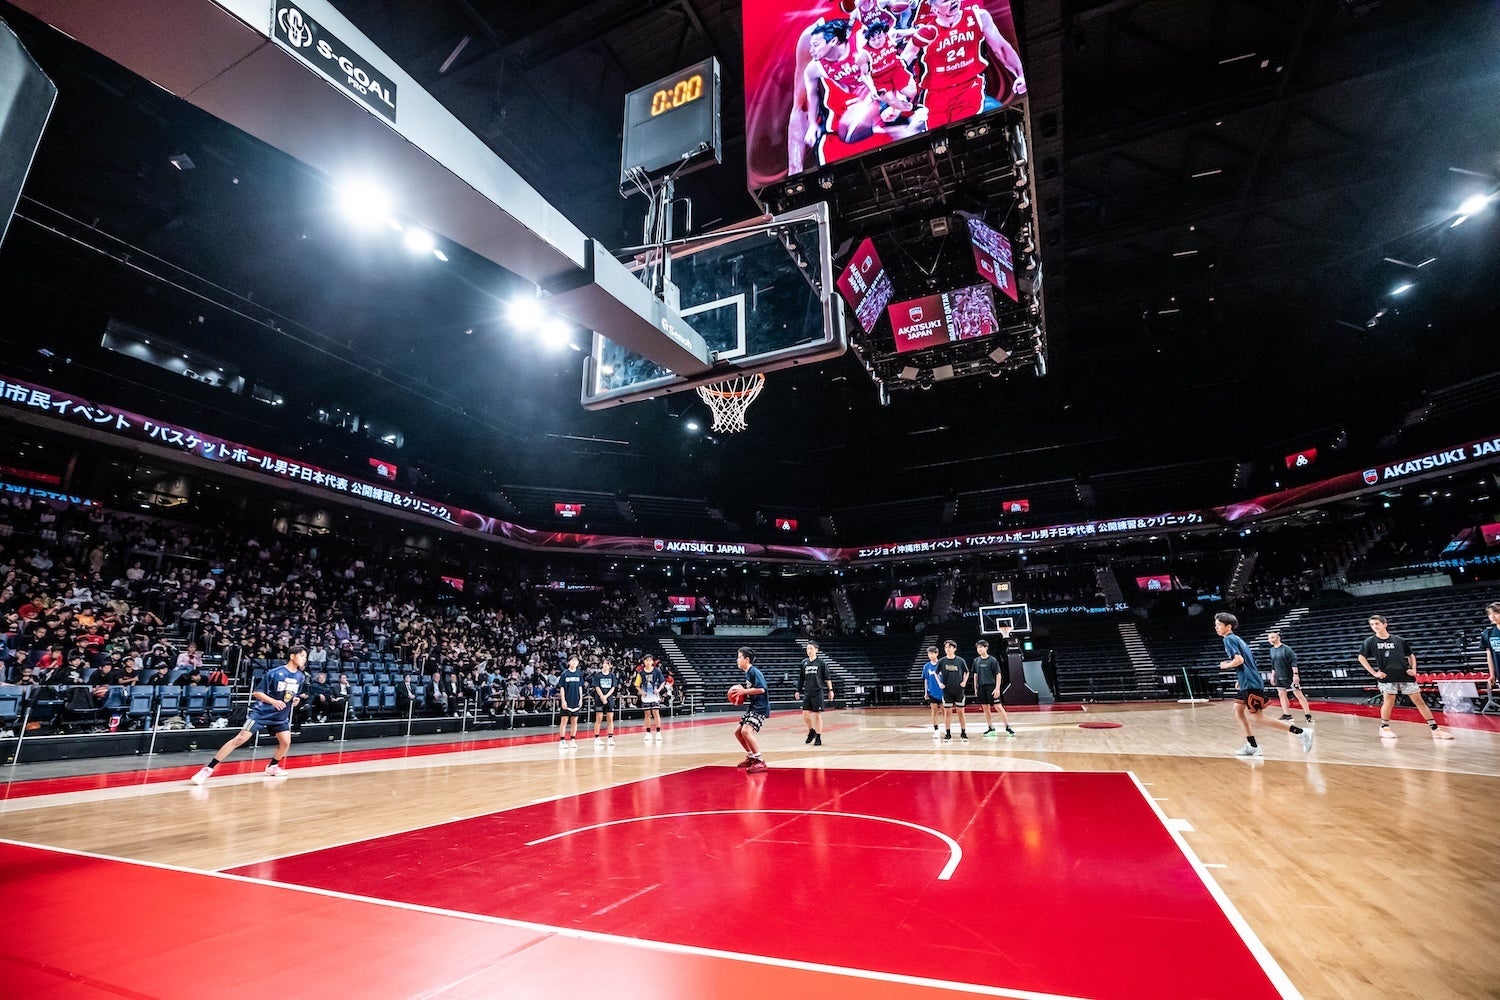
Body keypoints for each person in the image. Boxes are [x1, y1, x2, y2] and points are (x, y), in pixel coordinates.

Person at [190, 646, 307, 784]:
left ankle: (273, 766)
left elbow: (292, 694)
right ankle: (208, 769)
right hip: (262, 713)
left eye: (305, 657)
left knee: (286, 742)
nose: (304, 659)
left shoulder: (300, 676)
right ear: (292, 656)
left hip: (280, 716)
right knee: (240, 739)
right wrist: (273, 701)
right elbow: (257, 693)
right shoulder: (275, 673)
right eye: (302, 656)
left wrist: (295, 700)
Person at [903, 0, 1025, 130]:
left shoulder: (979, 16)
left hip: (968, 88)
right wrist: (896, 95)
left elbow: (1001, 48)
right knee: (939, 136)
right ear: (933, 9)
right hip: (935, 96)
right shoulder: (925, 33)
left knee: (962, 130)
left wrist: (1021, 75)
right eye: (945, 0)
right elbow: (903, 61)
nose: (953, 1)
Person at [1215, 613, 1312, 757]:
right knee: (1238, 711)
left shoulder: (1228, 639)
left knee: (1259, 717)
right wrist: (1241, 679)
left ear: (1228, 626)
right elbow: (1248, 662)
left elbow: (1239, 660)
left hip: (1250, 683)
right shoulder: (1237, 639)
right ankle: (1252, 746)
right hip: (1247, 680)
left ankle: (1302, 732)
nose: (1216, 628)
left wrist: (1225, 665)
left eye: (1218, 625)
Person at [1358, 614, 1454, 741]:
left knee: (1419, 701)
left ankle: (1435, 729)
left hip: (1404, 674)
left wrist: (1413, 669)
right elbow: (1361, 657)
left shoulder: (1398, 640)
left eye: (1377, 624)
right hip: (1387, 675)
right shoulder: (1370, 641)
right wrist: (1374, 673)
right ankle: (1384, 728)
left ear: (1385, 624)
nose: (1374, 626)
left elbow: (1411, 655)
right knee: (1389, 701)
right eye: (1372, 625)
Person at [732, 646, 770, 774]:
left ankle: (760, 761)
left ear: (747, 659)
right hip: (753, 707)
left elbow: (761, 689)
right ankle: (751, 757)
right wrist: (741, 695)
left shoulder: (754, 671)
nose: (737, 660)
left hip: (760, 708)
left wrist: (744, 691)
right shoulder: (747, 673)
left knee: (746, 731)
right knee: (738, 732)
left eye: (739, 657)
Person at [1266, 630, 1312, 725]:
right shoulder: (1272, 650)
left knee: (1298, 695)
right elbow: (1273, 664)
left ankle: (1308, 715)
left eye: (1272, 637)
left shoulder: (1286, 649)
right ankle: (1287, 715)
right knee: (1281, 695)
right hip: (1279, 676)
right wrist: (1272, 676)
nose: (1270, 639)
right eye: (1269, 638)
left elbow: (1294, 662)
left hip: (1289, 676)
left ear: (1278, 638)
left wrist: (1296, 674)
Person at [971, 637, 1015, 738]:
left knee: (998, 706)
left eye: (981, 647)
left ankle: (1007, 727)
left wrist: (997, 688)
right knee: (985, 708)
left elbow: (998, 674)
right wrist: (975, 688)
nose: (979, 649)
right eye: (978, 648)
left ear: (986, 648)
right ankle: (991, 728)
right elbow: (975, 674)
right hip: (981, 687)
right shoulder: (976, 661)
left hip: (991, 686)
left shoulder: (992, 660)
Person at [798, 640, 834, 746]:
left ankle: (818, 737)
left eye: (811, 648)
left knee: (817, 715)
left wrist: (830, 690)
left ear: (816, 650)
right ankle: (811, 731)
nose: (809, 650)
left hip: (818, 692)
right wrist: (798, 690)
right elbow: (801, 678)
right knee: (805, 714)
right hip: (807, 692)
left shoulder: (821, 663)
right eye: (807, 648)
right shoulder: (804, 663)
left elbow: (827, 677)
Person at [937, 639, 970, 742]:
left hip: (958, 690)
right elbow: (936, 673)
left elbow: (967, 672)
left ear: (954, 648)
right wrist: (940, 683)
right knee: (947, 713)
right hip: (947, 691)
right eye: (946, 647)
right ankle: (948, 734)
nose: (947, 649)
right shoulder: (942, 661)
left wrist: (964, 681)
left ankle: (963, 733)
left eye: (949, 647)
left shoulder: (960, 660)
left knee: (961, 713)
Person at [635, 653, 666, 742]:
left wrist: (658, 690)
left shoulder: (657, 671)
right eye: (646, 660)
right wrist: (641, 692)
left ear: (652, 662)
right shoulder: (641, 673)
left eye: (650, 660)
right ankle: (648, 733)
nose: (648, 662)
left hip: (654, 696)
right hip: (646, 697)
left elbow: (663, 682)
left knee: (656, 713)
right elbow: (637, 685)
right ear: (644, 661)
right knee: (647, 714)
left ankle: (658, 732)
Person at [557, 654, 585, 751]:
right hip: (567, 700)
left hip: (576, 700)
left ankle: (572, 739)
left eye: (576, 660)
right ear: (569, 662)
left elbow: (580, 687)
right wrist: (563, 700)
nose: (574, 662)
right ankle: (562, 740)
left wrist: (581, 699)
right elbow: (562, 688)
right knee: (564, 721)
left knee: (574, 721)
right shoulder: (564, 674)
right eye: (572, 660)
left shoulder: (579, 674)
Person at [592, 657, 618, 747]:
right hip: (599, 699)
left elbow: (613, 688)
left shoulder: (612, 676)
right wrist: (602, 697)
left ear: (610, 666)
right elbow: (596, 687)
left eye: (607, 664)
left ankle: (610, 737)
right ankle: (597, 738)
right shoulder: (597, 675)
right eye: (604, 663)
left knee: (610, 719)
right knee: (598, 718)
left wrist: (606, 697)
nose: (605, 665)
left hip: (609, 699)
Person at [922, 644, 944, 740]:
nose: (930, 655)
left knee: (945, 711)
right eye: (929, 654)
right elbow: (926, 679)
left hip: (942, 692)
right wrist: (926, 691)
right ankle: (936, 730)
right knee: (934, 712)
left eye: (932, 653)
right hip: (932, 692)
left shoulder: (942, 664)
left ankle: (947, 729)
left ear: (937, 653)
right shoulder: (926, 666)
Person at [1483, 601, 1500, 709]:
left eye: (1496, 613)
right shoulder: (1488, 634)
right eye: (1489, 614)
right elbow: (1489, 654)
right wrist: (1492, 674)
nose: (1492, 616)